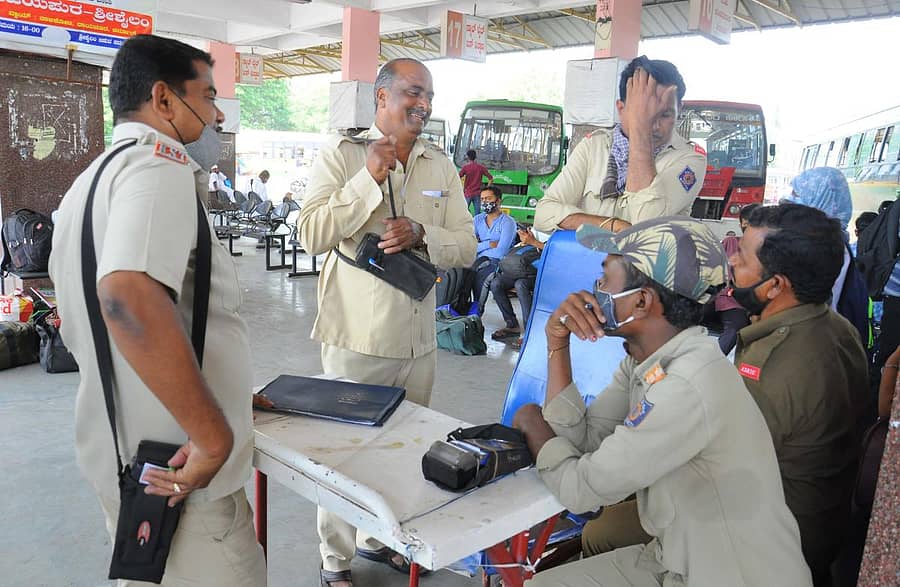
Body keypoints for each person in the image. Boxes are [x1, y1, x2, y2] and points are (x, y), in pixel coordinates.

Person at [48, 35, 266, 585]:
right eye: (209, 97)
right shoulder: (158, 168)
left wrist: (227, 384)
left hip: (118, 454)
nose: (217, 115)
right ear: (165, 100)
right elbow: (127, 297)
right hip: (182, 468)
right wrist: (214, 435)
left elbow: (85, 322)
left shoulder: (87, 185)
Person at [514, 216, 811, 587]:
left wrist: (529, 419)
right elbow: (580, 441)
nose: (594, 289)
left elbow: (582, 490)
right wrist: (557, 343)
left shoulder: (686, 381)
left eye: (605, 279)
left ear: (640, 301)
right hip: (676, 559)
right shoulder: (649, 361)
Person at [297, 57, 476, 587]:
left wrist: (423, 232)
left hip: (419, 340)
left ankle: (377, 540)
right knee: (344, 456)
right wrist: (368, 179)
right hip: (359, 338)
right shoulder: (342, 154)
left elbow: (466, 243)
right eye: (412, 93)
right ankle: (335, 561)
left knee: (402, 450)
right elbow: (311, 233)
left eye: (429, 97)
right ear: (381, 98)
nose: (422, 105)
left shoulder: (439, 165)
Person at [730, 203, 868, 585]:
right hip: (822, 528)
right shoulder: (837, 327)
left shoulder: (772, 363)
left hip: (770, 545)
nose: (732, 265)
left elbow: (719, 469)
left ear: (775, 285)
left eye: (741, 257)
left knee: (604, 531)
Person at [533, 56, 706, 234]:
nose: (653, 125)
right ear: (621, 108)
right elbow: (543, 215)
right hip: (589, 261)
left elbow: (644, 229)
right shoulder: (594, 146)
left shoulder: (690, 161)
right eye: (643, 113)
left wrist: (640, 130)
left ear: (680, 110)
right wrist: (614, 225)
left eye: (665, 115)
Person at [712, 202, 758, 354]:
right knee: (735, 326)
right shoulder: (731, 242)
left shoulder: (766, 248)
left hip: (754, 301)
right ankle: (714, 361)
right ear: (742, 224)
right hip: (731, 300)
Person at [490, 227, 543, 348]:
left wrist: (534, 242)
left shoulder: (559, 232)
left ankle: (530, 332)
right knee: (496, 284)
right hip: (523, 267)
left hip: (541, 272)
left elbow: (554, 252)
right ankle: (512, 325)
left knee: (521, 285)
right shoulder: (538, 227)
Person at [470, 186, 517, 314]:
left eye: (488, 198)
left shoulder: (508, 222)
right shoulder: (477, 219)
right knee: (458, 274)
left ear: (498, 201)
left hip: (496, 262)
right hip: (477, 260)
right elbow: (469, 245)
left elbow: (501, 251)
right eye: (482, 199)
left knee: (482, 277)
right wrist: (489, 244)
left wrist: (479, 246)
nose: (485, 202)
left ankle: (476, 313)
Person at [458, 148, 493, 214]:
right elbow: (490, 178)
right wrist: (487, 188)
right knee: (477, 212)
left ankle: (467, 221)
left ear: (468, 157)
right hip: (477, 193)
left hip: (468, 193)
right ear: (475, 157)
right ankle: (476, 223)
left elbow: (457, 177)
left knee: (463, 211)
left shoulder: (465, 168)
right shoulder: (481, 167)